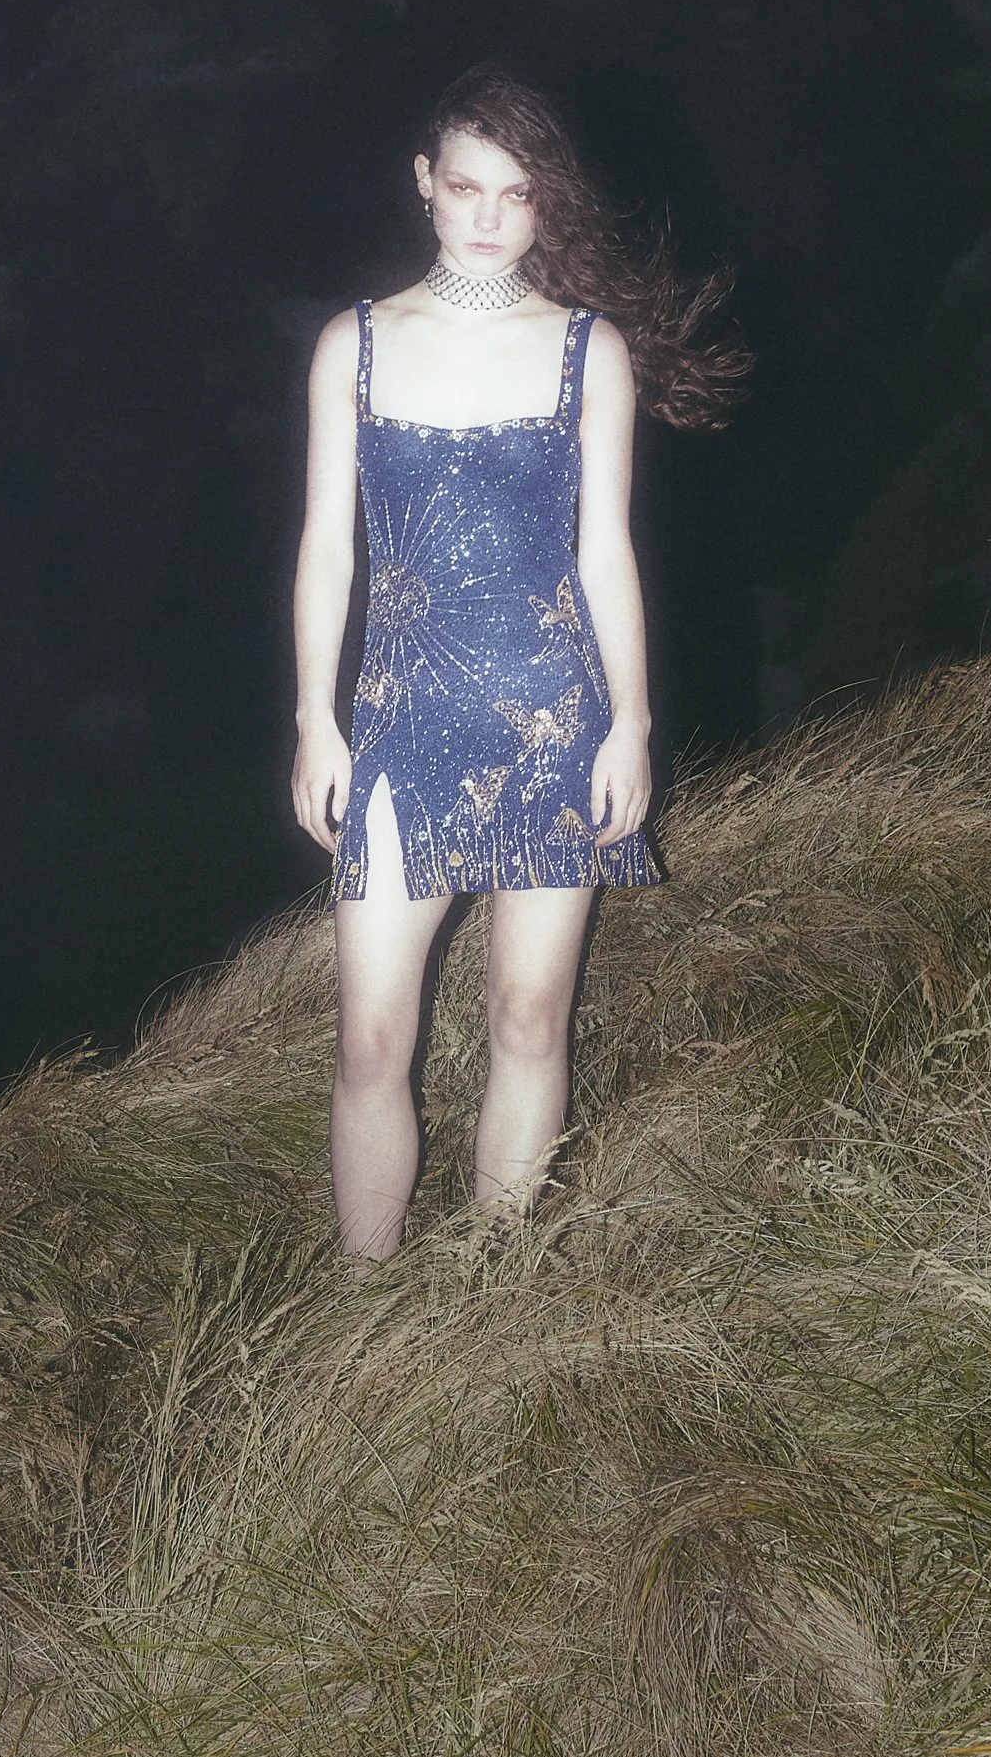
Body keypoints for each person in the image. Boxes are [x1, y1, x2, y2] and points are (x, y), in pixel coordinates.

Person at [290, 68, 747, 1255]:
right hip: (398, 724)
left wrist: (631, 725)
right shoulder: (356, 345)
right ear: (425, 190)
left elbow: (605, 554)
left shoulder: (587, 350)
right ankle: (362, 1299)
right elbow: (326, 554)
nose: (489, 215)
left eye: (517, 192)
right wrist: (312, 721)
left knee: (531, 1018)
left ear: (545, 205)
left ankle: (489, 1296)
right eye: (466, 186)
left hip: (555, 718)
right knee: (370, 1041)